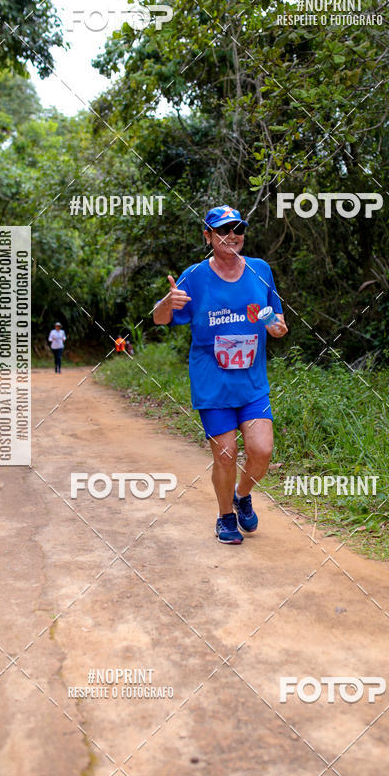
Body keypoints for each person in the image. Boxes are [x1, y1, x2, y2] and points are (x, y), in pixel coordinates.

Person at [153, 205, 287, 544]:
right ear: (208, 236)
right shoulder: (195, 276)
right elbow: (159, 318)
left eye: (237, 229)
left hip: (252, 383)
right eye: (223, 230)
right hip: (212, 384)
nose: (232, 236)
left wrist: (277, 326)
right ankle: (225, 516)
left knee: (262, 450)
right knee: (225, 453)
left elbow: (275, 319)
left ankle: (242, 496)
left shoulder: (260, 270)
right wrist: (169, 302)